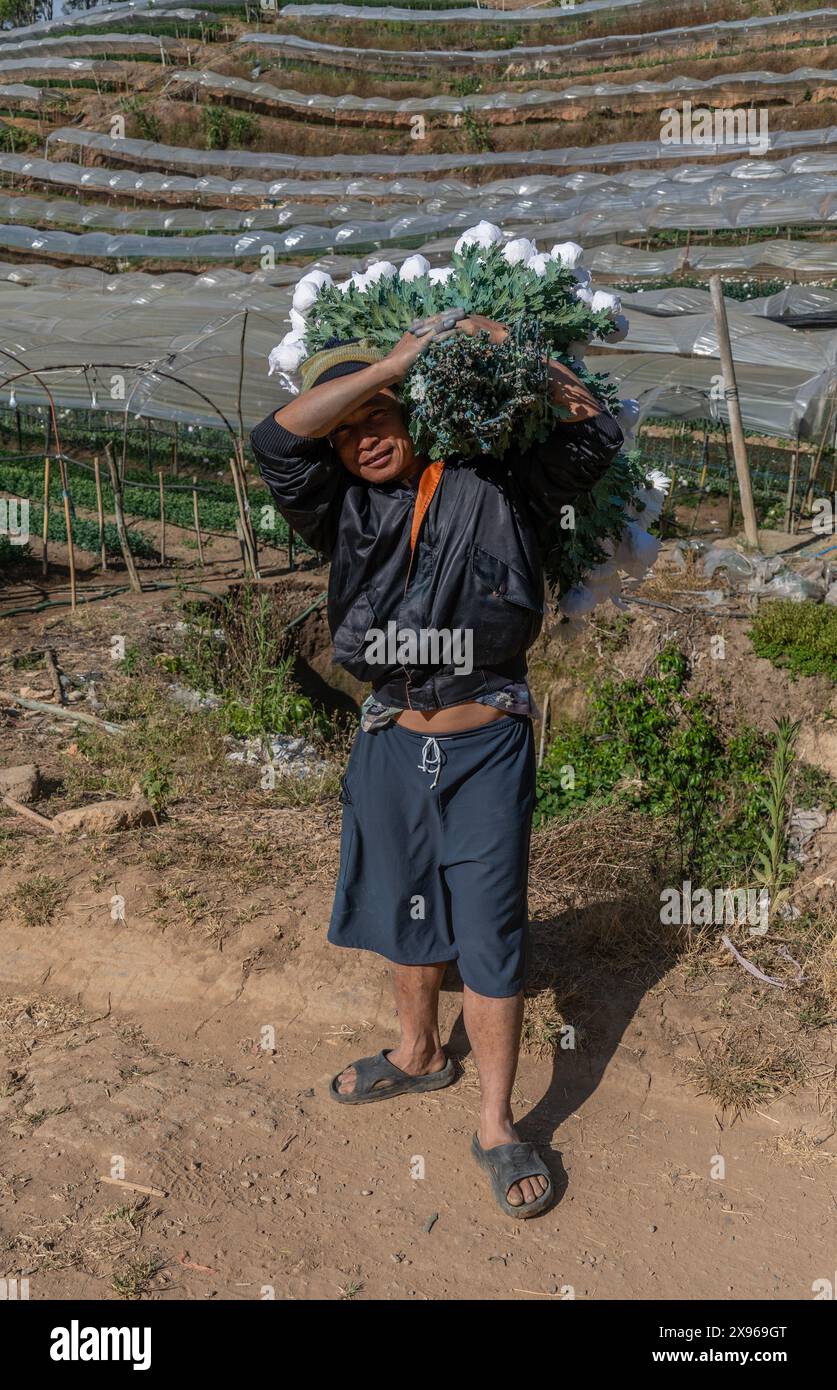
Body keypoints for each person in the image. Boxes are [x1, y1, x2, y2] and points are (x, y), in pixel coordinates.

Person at [250, 311, 623, 1218]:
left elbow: (592, 427)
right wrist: (394, 359)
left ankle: (496, 1125)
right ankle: (416, 1054)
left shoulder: (500, 481)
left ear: (416, 412)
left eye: (377, 416)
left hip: (484, 741)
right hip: (387, 736)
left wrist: (500, 346)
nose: (361, 440)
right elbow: (272, 438)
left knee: (488, 926)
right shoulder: (337, 504)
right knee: (398, 903)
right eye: (344, 431)